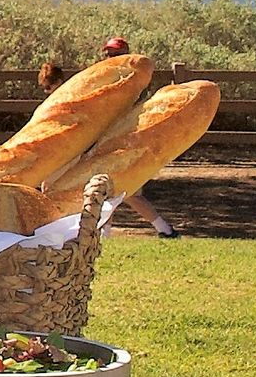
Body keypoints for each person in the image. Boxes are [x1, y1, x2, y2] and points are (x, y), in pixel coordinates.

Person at [37, 40, 179, 237]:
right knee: (106, 188)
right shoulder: (106, 77)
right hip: (100, 141)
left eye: (115, 53)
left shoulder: (134, 80)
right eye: (109, 54)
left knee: (128, 191)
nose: (111, 58)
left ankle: (163, 229)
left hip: (123, 140)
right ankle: (111, 233)